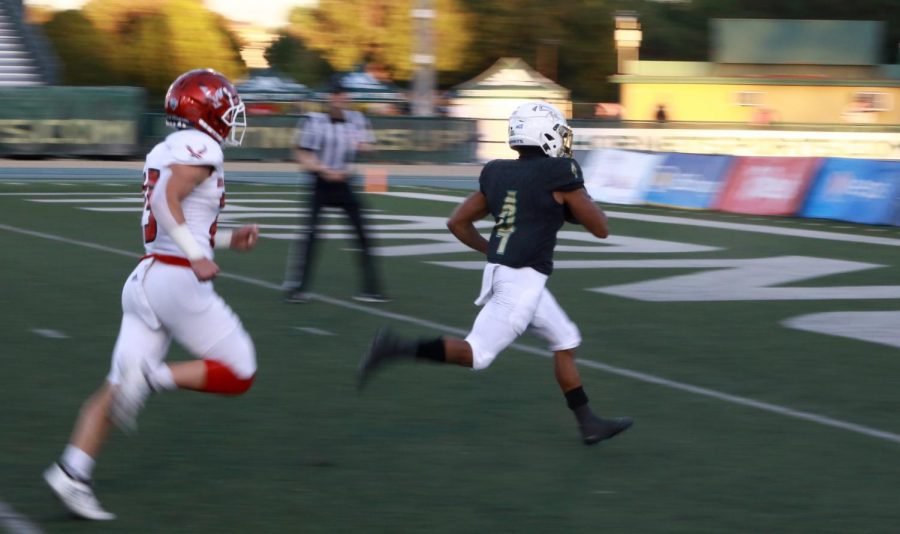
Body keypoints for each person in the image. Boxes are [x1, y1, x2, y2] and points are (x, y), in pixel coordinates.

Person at [44, 69, 260, 520]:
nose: (230, 115)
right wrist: (197, 257)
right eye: (225, 106)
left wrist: (223, 242)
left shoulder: (165, 149)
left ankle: (73, 469)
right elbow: (166, 202)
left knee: (118, 385)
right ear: (204, 110)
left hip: (148, 278)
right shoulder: (203, 148)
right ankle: (154, 377)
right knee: (240, 370)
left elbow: (173, 219)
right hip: (177, 282)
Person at [357, 102, 633, 445]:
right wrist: (580, 197)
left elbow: (457, 222)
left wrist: (494, 250)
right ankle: (394, 348)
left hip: (508, 273)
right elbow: (601, 228)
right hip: (521, 283)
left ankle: (588, 422)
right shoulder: (559, 172)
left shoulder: (498, 171)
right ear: (544, 133)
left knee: (565, 339)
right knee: (477, 355)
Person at [284, 76, 388, 303]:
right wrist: (323, 170)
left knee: (363, 234)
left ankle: (371, 288)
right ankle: (297, 287)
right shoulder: (314, 120)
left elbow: (366, 145)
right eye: (335, 94)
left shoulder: (356, 120)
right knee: (310, 235)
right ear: (328, 97)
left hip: (344, 183)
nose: (340, 98)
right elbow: (301, 153)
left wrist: (366, 148)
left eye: (343, 94)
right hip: (321, 183)